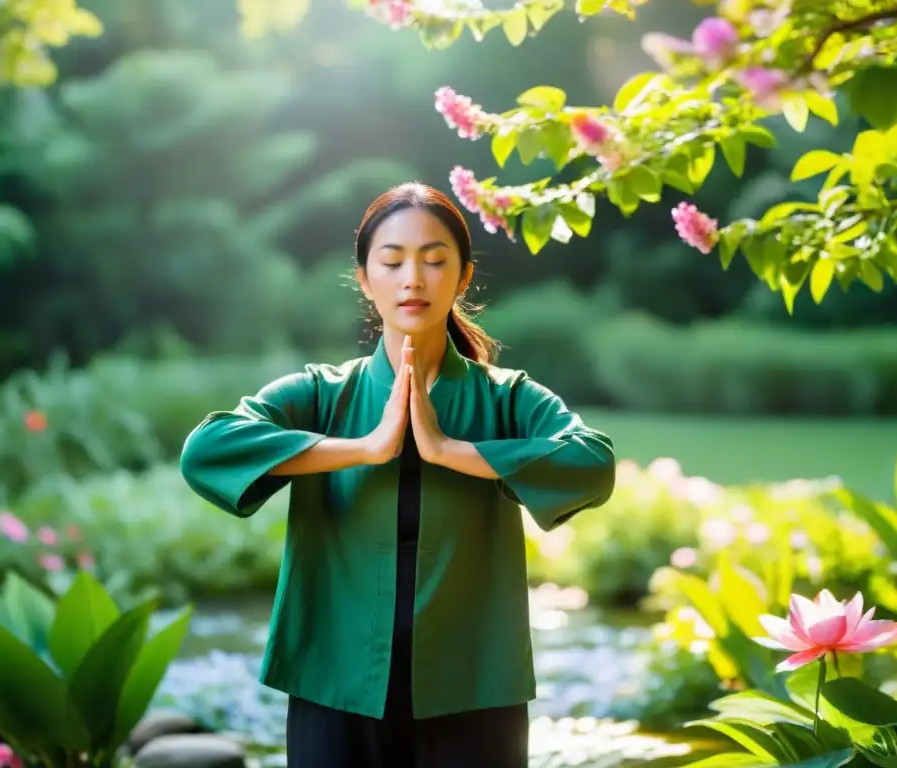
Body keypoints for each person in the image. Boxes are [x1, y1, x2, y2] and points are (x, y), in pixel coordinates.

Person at [179, 182, 617, 767]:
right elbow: (207, 449)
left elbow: (593, 462)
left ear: (462, 278)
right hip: (334, 685)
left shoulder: (508, 398)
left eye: (435, 261)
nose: (414, 278)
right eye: (392, 261)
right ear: (364, 278)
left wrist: (448, 449)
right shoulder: (320, 393)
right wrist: (362, 448)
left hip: (474, 690)